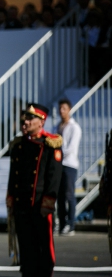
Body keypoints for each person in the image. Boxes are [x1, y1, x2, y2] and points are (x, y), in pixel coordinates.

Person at [7, 104, 63, 277]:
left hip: (39, 205)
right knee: (26, 246)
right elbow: (13, 176)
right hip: (22, 205)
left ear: (41, 121)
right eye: (24, 119)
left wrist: (48, 203)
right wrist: (11, 198)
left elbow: (53, 178)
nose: (25, 122)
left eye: (30, 119)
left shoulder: (50, 144)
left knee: (43, 248)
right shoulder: (19, 145)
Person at [54, 100, 82, 236]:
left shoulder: (74, 127)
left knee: (69, 194)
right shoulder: (57, 126)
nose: (61, 111)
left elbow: (71, 148)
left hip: (69, 164)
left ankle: (71, 225)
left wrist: (58, 152)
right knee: (59, 196)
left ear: (69, 109)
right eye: (60, 108)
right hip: (59, 164)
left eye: (64, 108)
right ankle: (62, 224)